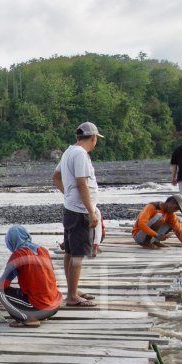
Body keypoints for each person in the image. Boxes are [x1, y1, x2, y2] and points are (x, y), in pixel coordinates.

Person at [52, 121, 103, 307]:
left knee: (70, 251)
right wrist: (91, 212)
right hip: (80, 211)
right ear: (93, 138)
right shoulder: (80, 154)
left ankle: (73, 290)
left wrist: (67, 194)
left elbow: (55, 177)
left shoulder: (69, 151)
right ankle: (72, 296)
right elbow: (82, 183)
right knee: (77, 254)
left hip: (71, 208)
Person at [0, 225, 63, 327]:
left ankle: (28, 318)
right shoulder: (43, 250)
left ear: (10, 241)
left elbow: (2, 284)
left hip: (39, 307)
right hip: (55, 305)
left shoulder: (18, 255)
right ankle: (40, 314)